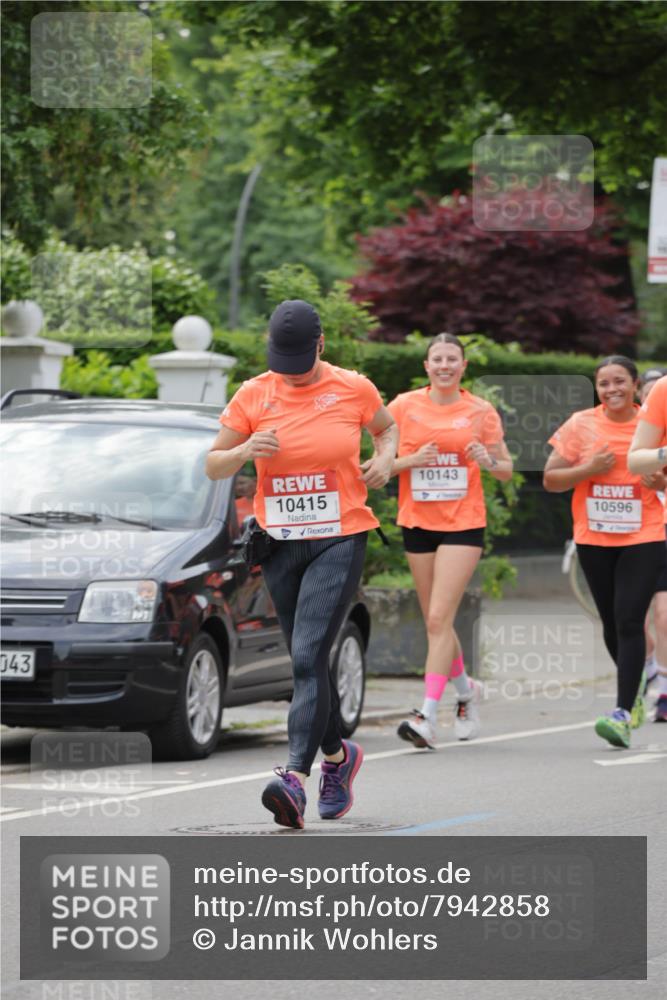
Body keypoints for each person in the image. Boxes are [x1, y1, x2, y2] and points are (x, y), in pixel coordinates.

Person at [205, 299, 398, 828]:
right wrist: (245, 449)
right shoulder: (254, 393)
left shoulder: (354, 388)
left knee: (310, 653)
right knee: (305, 661)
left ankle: (294, 777)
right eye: (281, 361)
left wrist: (384, 459)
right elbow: (213, 464)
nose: (290, 372)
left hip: (340, 536)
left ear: (321, 345)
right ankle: (339, 757)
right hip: (280, 542)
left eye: (300, 360)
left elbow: (386, 429)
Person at [386, 333, 513, 748]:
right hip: (417, 522)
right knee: (435, 622)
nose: (444, 366)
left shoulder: (480, 411)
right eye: (437, 359)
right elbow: (378, 465)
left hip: (463, 523)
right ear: (426, 366)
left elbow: (506, 470)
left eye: (452, 359)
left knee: (440, 617)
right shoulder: (403, 406)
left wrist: (486, 460)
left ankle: (425, 715)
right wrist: (412, 460)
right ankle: (466, 692)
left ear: (463, 366)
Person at [544, 356, 667, 748]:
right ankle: (636, 691)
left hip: (644, 536)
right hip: (594, 538)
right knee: (612, 624)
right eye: (604, 383)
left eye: (619, 382)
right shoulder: (581, 424)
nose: (612, 389)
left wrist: (659, 479)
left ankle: (621, 712)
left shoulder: (651, 423)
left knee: (630, 619)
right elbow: (550, 479)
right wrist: (588, 468)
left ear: (636, 385)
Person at [638, 369, 667, 722]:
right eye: (647, 396)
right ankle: (649, 673)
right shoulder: (629, 435)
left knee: (663, 615)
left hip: (662, 532)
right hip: (630, 536)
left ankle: (663, 691)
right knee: (627, 619)